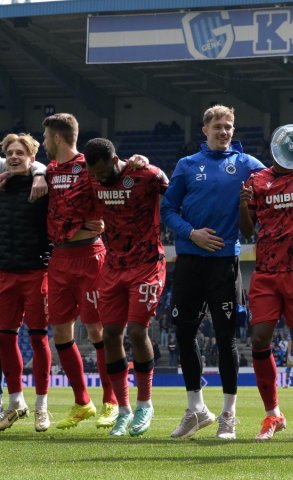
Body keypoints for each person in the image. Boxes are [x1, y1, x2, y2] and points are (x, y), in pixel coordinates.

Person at [162, 105, 265, 439]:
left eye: (230, 126)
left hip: (224, 265)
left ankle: (228, 416)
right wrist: (192, 233)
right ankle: (196, 409)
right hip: (190, 262)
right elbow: (167, 209)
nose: (224, 131)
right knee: (184, 334)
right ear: (204, 129)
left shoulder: (248, 165)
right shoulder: (187, 165)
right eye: (218, 126)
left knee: (226, 339)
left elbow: (279, 180)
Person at [83, 138, 168, 437]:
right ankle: (123, 410)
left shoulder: (144, 175)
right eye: (95, 175)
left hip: (146, 264)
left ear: (115, 159)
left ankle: (145, 404)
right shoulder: (92, 176)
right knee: (110, 335)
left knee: (136, 330)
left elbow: (172, 189)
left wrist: (147, 160)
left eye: (103, 173)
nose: (99, 179)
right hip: (113, 266)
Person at [238, 156, 293, 442]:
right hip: (265, 271)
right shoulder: (258, 180)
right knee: (260, 339)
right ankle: (272, 413)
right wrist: (242, 203)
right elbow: (247, 230)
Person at [42, 113, 118, 430]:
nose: (43, 142)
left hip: (90, 255)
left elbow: (120, 181)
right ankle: (81, 402)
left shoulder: (90, 166)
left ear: (57, 138)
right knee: (61, 332)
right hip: (59, 258)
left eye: (45, 137)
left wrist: (105, 221)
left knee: (98, 330)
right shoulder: (48, 170)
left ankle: (111, 402)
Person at [0, 133, 52, 432]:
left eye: (21, 152)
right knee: (5, 338)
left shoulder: (43, 187)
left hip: (36, 272)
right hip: (5, 273)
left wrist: (41, 173)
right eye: (11, 152)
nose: (15, 156)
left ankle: (42, 406)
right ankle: (16, 401)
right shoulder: (2, 185)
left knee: (38, 337)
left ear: (32, 157)